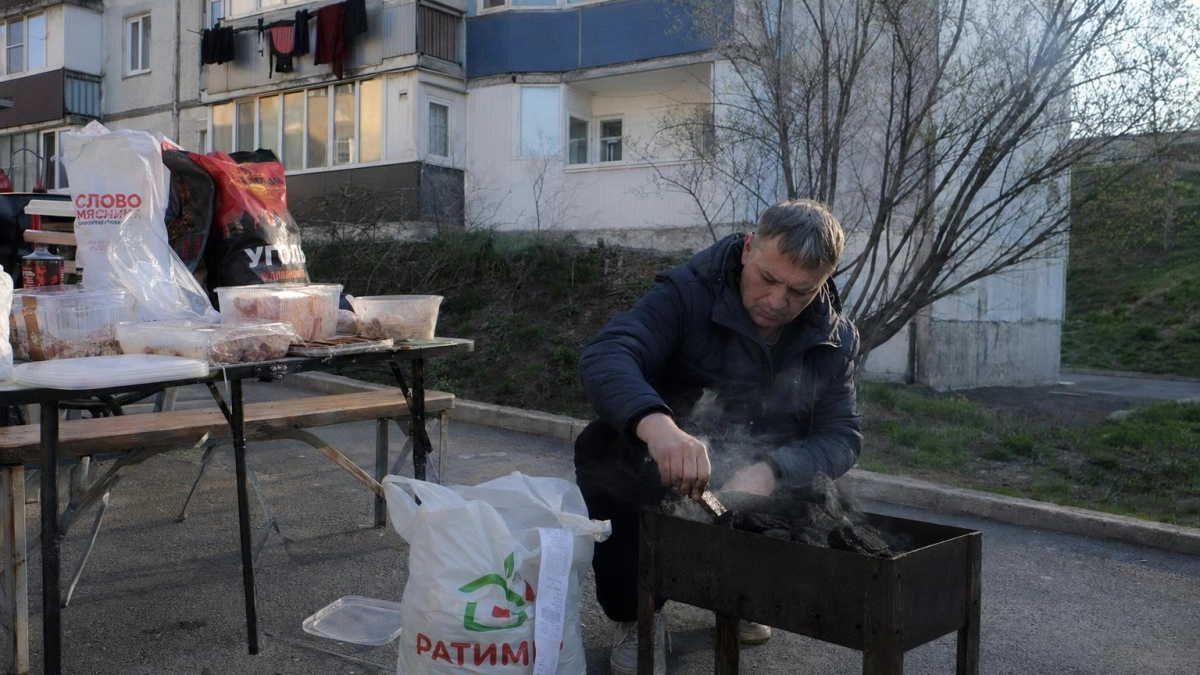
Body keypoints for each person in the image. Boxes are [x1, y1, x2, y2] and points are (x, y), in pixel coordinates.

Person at [574, 199, 863, 675]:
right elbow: (608, 354)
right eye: (768, 279)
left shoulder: (835, 337)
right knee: (605, 449)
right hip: (666, 452)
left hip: (752, 459)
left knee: (811, 475)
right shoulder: (685, 293)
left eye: (799, 291)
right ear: (749, 248)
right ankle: (637, 615)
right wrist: (659, 426)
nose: (777, 302)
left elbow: (842, 435)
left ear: (824, 281)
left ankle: (741, 594)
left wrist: (773, 470)